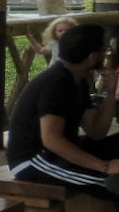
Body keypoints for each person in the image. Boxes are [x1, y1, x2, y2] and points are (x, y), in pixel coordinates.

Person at [8, 21, 119, 199]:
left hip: (61, 152)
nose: (106, 56)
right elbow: (51, 140)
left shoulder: (79, 79)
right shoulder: (56, 83)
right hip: (36, 160)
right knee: (113, 182)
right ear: (91, 58)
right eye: (104, 52)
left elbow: (96, 132)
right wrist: (104, 166)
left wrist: (110, 91)